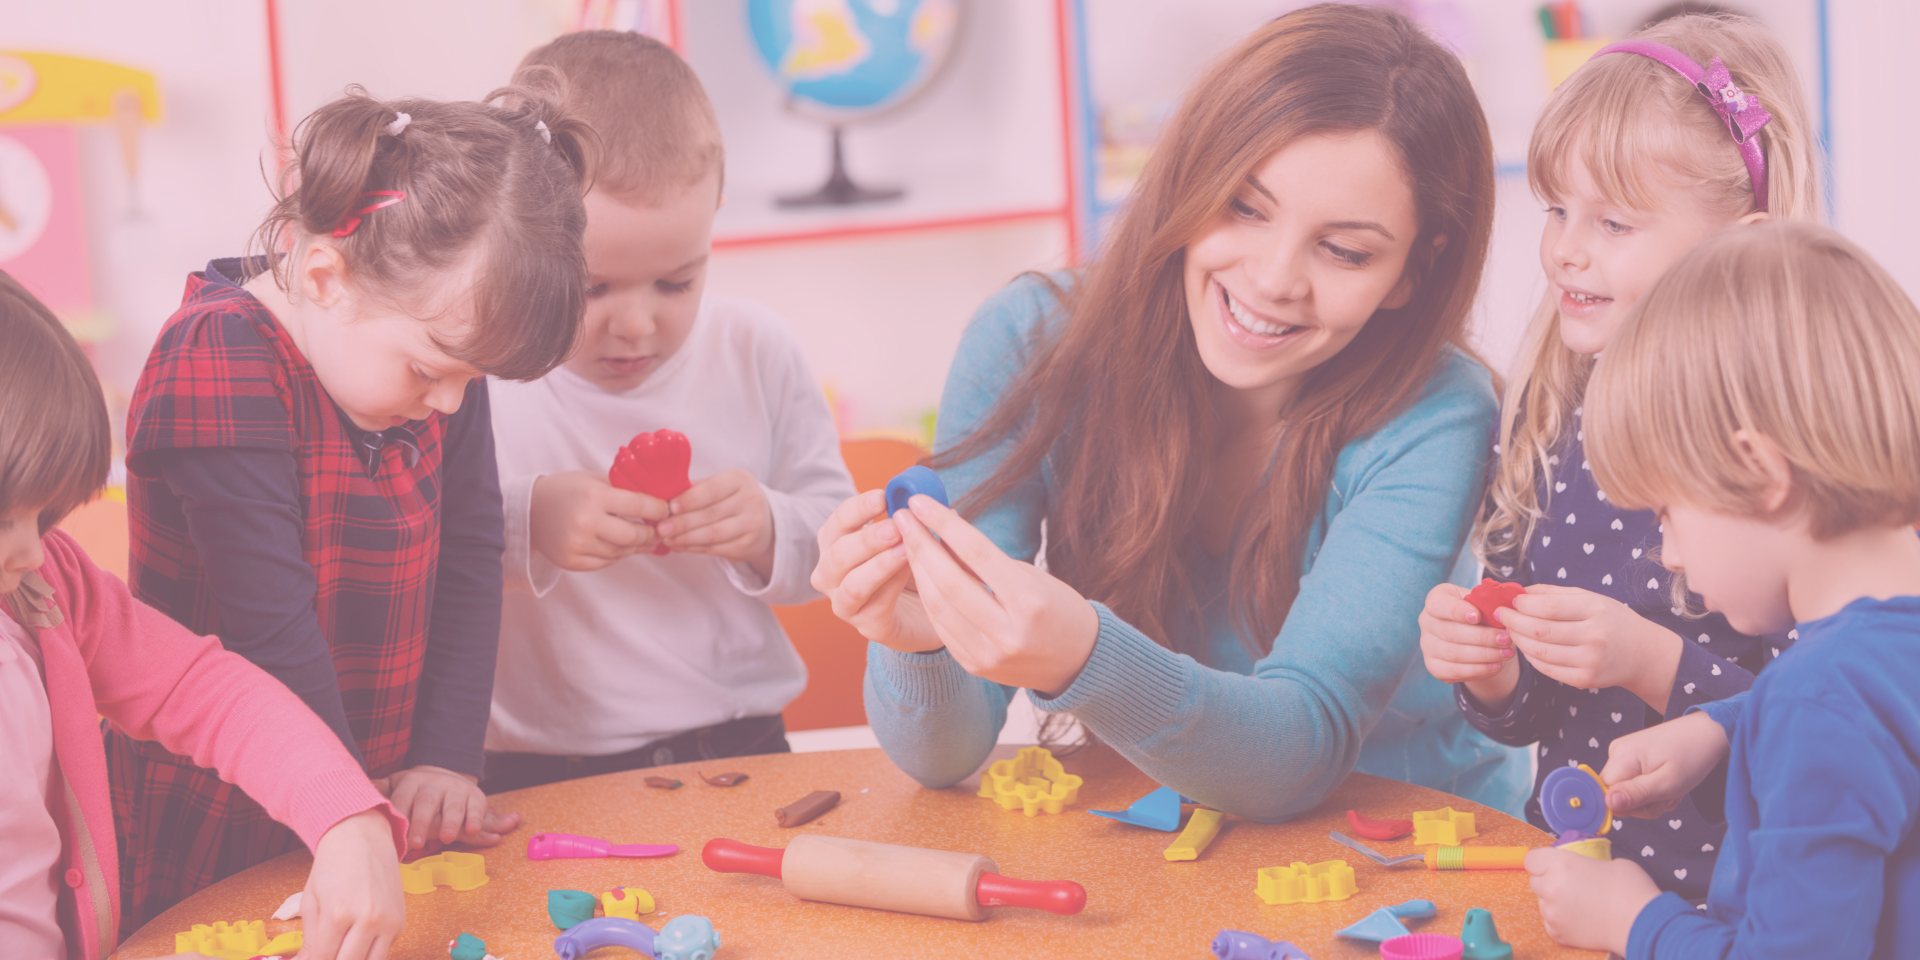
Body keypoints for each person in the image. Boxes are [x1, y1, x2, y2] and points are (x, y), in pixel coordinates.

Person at [812, 3, 1524, 820]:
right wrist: (919, 641)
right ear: (1191, 176)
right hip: (1165, 839)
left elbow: (1298, 751)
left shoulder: (1436, 411)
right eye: (1245, 207)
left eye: (1345, 250)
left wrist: (1084, 653)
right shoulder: (1029, 341)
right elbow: (945, 756)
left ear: (1410, 273)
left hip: (1419, 848)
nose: (1273, 279)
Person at [107, 75, 592, 928]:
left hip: (375, 798)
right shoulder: (219, 352)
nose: (449, 403)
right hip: (230, 806)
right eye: (433, 372)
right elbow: (269, 622)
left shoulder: (438, 344)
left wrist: (446, 756)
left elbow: (470, 550)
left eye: (470, 380)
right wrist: (344, 808)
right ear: (326, 276)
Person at [1416, 12, 1821, 899]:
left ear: (1739, 240)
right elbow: (1529, 720)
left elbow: (1827, 730)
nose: (1566, 247)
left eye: (1614, 223)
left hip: (1740, 906)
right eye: (1558, 208)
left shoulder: (1788, 453)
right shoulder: (1547, 416)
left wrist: (1651, 660)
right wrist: (1493, 672)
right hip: (1572, 890)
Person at [1525, 222, 1920, 959]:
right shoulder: (1868, 665)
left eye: (1669, 513)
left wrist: (1635, 922)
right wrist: (1727, 728)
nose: (1668, 554)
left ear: (1762, 476)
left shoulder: (1819, 701)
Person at [480, 31, 854, 791]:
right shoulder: (475, 369)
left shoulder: (755, 347)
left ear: (714, 212)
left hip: (737, 746)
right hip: (536, 770)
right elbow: (420, 552)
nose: (637, 326)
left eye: (677, 283)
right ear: (519, 229)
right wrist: (530, 521)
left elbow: (841, 548)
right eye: (592, 289)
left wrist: (769, 528)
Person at [0, 271, 406, 960]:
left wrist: (347, 817)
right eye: (7, 519)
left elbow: (203, 690)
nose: (33, 548)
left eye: (44, 516)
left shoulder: (48, 587)